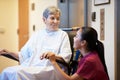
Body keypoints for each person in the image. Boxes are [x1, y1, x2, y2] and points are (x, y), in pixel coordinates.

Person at [0, 6, 72, 80]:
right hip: (32, 66)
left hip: (50, 69)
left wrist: (53, 56)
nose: (56, 21)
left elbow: (66, 56)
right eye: (52, 18)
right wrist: (8, 52)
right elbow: (23, 55)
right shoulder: (37, 34)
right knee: (6, 71)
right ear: (44, 19)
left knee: (17, 73)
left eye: (58, 19)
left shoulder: (62, 35)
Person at [41, 26, 109, 80]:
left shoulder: (89, 61)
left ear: (83, 43)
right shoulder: (91, 54)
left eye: (76, 36)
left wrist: (53, 62)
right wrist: (55, 57)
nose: (73, 38)